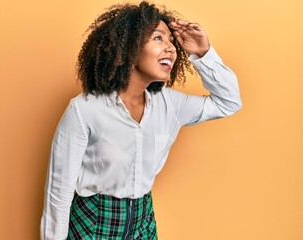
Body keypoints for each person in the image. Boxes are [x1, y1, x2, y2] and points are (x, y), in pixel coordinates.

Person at [40, 1, 242, 239]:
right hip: (94, 223)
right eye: (158, 38)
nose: (171, 48)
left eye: (171, 41)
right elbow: (59, 192)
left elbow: (229, 101)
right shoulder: (85, 110)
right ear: (128, 48)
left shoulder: (170, 104)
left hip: (143, 221)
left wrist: (202, 53)